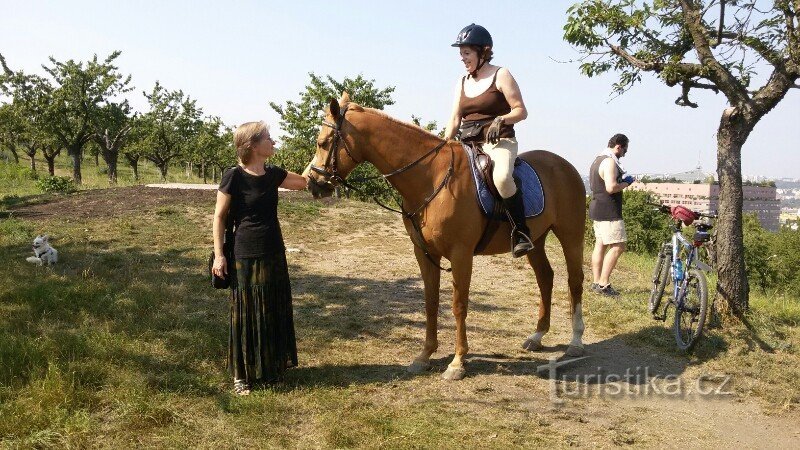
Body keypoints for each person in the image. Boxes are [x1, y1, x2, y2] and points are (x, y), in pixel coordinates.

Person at [211, 121, 309, 395]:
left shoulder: (273, 174)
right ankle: (241, 376)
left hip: (274, 251)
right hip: (244, 253)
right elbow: (219, 217)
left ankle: (270, 369)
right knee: (246, 314)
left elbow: (303, 183)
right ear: (253, 145)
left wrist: (320, 154)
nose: (273, 141)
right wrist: (220, 256)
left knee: (272, 308)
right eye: (268, 137)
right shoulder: (234, 176)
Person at [444, 23, 533, 258]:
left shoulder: (501, 74)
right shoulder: (461, 82)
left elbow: (520, 111)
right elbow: (454, 119)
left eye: (467, 53)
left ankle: (520, 232)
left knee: (502, 177)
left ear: (483, 52)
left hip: (498, 142)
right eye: (461, 54)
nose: (463, 59)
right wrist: (443, 143)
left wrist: (501, 120)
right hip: (468, 143)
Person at [589, 133, 636, 296]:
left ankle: (596, 282)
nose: (624, 154)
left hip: (597, 208)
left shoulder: (598, 159)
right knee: (618, 246)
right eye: (625, 150)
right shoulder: (609, 162)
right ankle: (603, 284)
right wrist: (626, 182)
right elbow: (610, 187)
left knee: (600, 245)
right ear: (618, 146)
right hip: (609, 211)